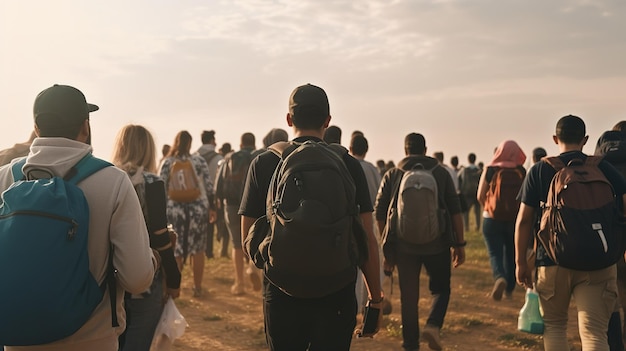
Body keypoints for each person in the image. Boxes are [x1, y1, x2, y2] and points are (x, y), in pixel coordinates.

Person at [0, 84, 156, 350]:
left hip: (18, 336)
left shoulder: (5, 177)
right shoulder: (113, 181)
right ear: (85, 127)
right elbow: (137, 278)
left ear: (37, 127)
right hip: (93, 339)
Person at [239, 83, 383, 350]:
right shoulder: (348, 164)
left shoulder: (264, 163)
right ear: (328, 121)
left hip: (281, 288)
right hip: (337, 288)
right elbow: (366, 240)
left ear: (289, 119)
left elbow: (246, 237)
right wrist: (375, 299)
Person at [516, 115, 626, 351]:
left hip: (552, 260)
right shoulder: (602, 167)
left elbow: (524, 221)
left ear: (555, 138)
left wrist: (520, 263)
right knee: (595, 333)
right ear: (585, 139)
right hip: (599, 260)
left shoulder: (539, 170)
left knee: (555, 327)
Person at [375, 132, 465, 351]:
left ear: (405, 150)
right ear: (425, 150)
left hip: (404, 247)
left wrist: (388, 245)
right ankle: (433, 326)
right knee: (441, 290)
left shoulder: (393, 174)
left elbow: (379, 211)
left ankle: (410, 345)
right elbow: (455, 211)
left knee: (409, 298)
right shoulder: (440, 173)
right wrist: (459, 245)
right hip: (438, 244)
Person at [112, 125, 182, 351]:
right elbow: (160, 237)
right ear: (148, 149)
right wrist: (173, 279)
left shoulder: (106, 178)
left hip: (108, 280)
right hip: (145, 278)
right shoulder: (152, 183)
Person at [160, 131, 214, 298]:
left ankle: (177, 287)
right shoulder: (198, 161)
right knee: (198, 249)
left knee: (176, 250)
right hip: (197, 209)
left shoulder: (167, 162)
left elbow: (161, 187)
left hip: (175, 211)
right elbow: (209, 185)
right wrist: (212, 207)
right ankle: (197, 288)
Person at [477, 140, 526, 301]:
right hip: (514, 219)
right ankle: (509, 290)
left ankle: (500, 277)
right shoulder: (521, 170)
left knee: (494, 253)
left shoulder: (491, 169)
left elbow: (480, 195)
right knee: (512, 253)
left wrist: (489, 208)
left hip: (491, 219)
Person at [215, 132, 260, 295]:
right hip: (254, 205)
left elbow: (218, 183)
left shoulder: (229, 157)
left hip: (232, 204)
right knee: (256, 238)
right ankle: (253, 267)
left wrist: (218, 201)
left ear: (240, 144)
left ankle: (239, 283)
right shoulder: (259, 156)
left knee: (236, 243)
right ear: (254, 144)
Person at [349, 134, 384, 315]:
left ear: (350, 148)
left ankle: (354, 306)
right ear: (366, 149)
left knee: (353, 267)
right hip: (369, 219)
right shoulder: (372, 169)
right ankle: (368, 304)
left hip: (350, 221)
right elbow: (379, 195)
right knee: (369, 262)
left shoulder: (346, 165)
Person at [195, 130, 223, 259]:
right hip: (211, 194)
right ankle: (209, 251)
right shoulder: (218, 158)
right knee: (211, 224)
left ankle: (195, 251)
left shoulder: (194, 156)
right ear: (212, 141)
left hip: (195, 195)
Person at [458, 153, 482, 232]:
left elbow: (459, 179)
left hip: (467, 193)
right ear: (475, 159)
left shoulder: (464, 170)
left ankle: (466, 227)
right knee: (477, 211)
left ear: (468, 159)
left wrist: (461, 190)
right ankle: (478, 227)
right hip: (476, 192)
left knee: (466, 211)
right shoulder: (479, 170)